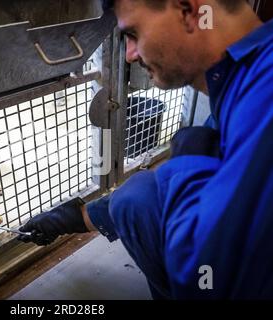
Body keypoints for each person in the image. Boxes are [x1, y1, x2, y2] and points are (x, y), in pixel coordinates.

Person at [18, 0, 273, 299]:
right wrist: (79, 217)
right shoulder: (245, 76)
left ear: (187, 10)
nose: (128, 55)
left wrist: (187, 160)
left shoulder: (264, 95)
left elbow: (207, 275)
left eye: (134, 34)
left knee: (138, 195)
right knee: (136, 198)